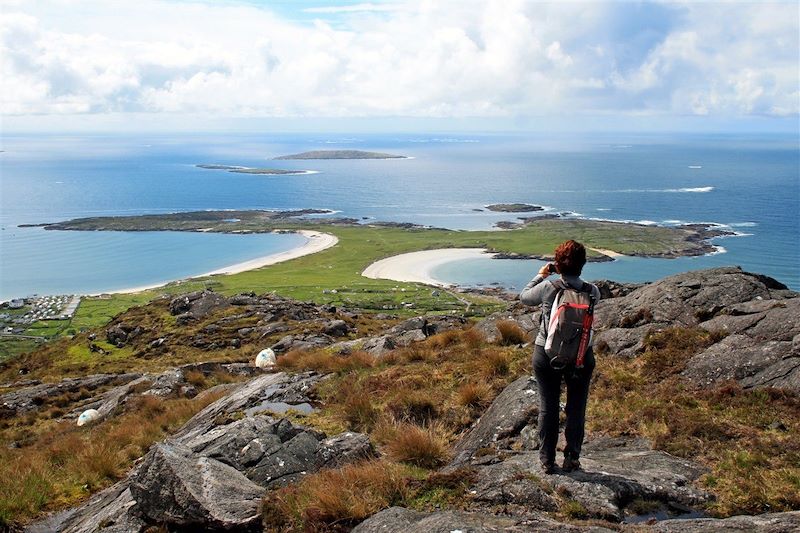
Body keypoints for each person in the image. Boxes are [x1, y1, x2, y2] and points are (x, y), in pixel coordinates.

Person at [519, 240, 601, 474]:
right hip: (581, 355)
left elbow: (524, 297)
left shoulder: (549, 288)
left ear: (557, 264)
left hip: (546, 352)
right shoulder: (592, 291)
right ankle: (572, 458)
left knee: (549, 407)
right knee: (576, 407)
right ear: (583, 264)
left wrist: (540, 276)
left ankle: (547, 460)